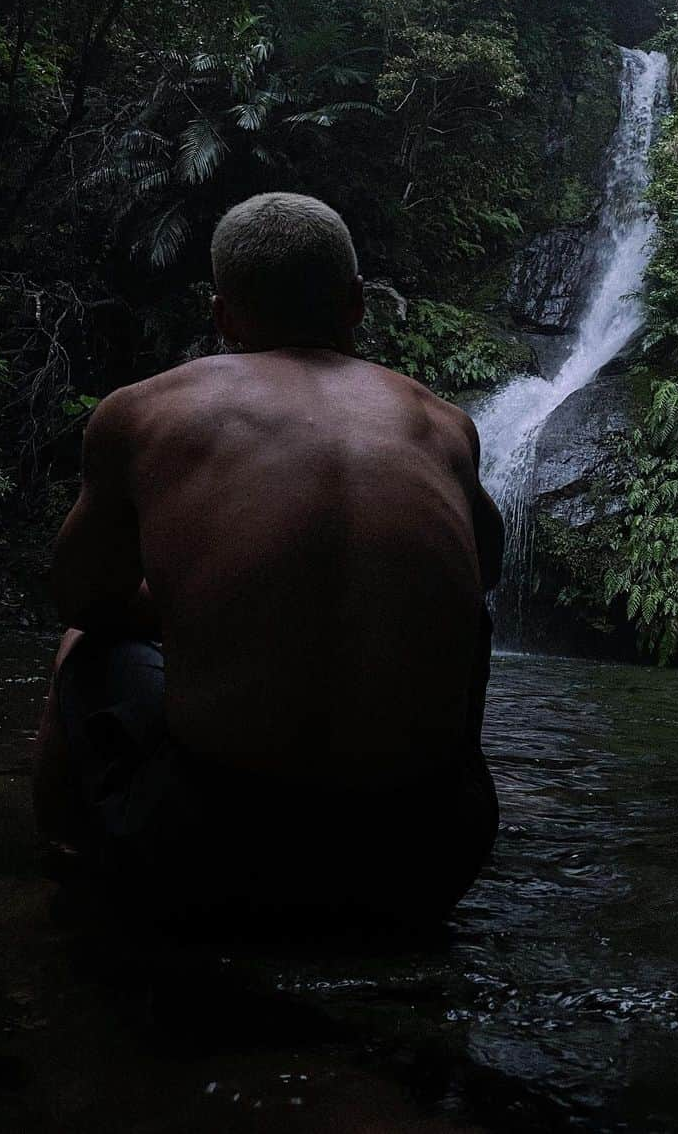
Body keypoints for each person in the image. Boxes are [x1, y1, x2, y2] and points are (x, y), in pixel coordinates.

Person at [33, 192, 503, 924]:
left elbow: (80, 597)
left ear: (222, 316)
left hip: (212, 849)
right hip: (430, 855)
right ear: (356, 304)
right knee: (472, 619)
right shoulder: (443, 423)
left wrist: (197, 610)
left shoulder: (144, 410)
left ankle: (69, 861)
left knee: (82, 642)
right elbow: (487, 571)